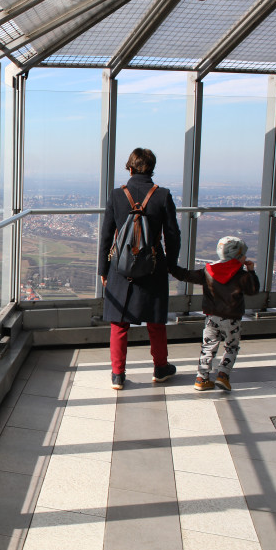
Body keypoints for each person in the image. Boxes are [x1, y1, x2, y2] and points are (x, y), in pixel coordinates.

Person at [98, 148, 181, 390]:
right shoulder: (163, 195)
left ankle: (117, 374)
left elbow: (106, 236)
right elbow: (173, 234)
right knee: (156, 321)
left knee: (119, 323)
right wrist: (170, 264)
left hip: (121, 267)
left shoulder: (116, 195)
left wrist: (104, 269)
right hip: (153, 265)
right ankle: (160, 368)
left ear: (130, 168)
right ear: (152, 168)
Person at [170, 236, 260, 391]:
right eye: (244, 254)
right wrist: (251, 271)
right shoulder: (242, 275)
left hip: (212, 318)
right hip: (233, 319)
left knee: (208, 347)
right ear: (238, 256)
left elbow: (186, 275)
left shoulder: (208, 271)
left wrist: (170, 266)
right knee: (231, 346)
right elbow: (253, 290)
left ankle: (201, 379)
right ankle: (223, 376)